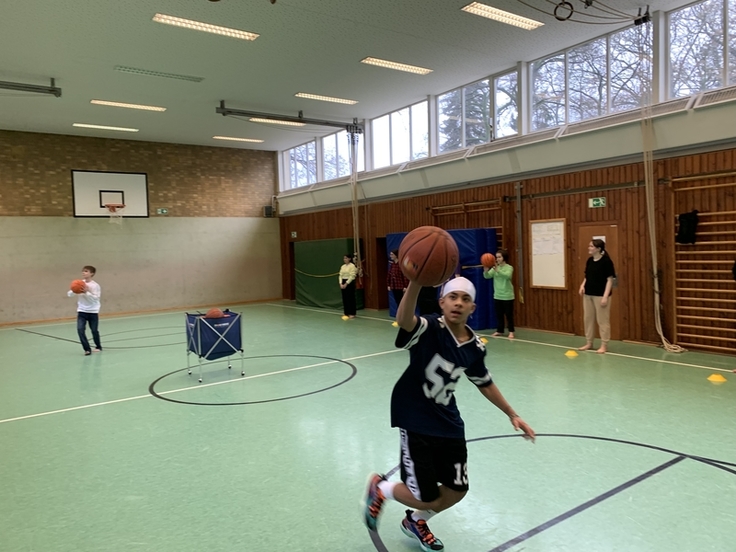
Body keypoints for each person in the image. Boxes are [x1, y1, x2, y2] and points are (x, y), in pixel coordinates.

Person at [363, 276, 535, 551]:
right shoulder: (430, 328)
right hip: (415, 417)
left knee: (457, 489)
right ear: (442, 303)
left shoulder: (475, 346)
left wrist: (512, 414)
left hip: (448, 423)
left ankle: (415, 522)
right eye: (452, 297)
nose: (458, 303)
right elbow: (406, 319)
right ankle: (381, 489)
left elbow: (484, 382)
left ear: (473, 308)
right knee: (425, 496)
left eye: (465, 299)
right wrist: (417, 282)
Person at [578, 239, 616, 354]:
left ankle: (604, 344)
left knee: (602, 320)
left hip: (600, 295)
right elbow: (587, 276)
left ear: (598, 249)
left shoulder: (606, 262)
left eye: (591, 246)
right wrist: (582, 285)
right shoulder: (589, 261)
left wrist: (605, 296)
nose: (589, 248)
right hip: (588, 294)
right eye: (589, 246)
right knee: (588, 319)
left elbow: (610, 280)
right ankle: (589, 342)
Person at [67, 265, 102, 356]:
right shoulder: (79, 283)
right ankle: (87, 349)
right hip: (82, 311)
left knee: (94, 330)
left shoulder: (95, 286)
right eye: (83, 271)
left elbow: (95, 299)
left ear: (92, 273)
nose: (83, 272)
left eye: (86, 271)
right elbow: (69, 295)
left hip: (93, 311)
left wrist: (86, 292)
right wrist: (74, 290)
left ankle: (98, 346)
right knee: (80, 329)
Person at [483, 249, 515, 339]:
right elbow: (487, 276)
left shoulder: (509, 267)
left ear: (504, 257)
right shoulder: (494, 268)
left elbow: (507, 276)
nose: (497, 259)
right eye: (496, 257)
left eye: (499, 257)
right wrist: (485, 271)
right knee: (499, 315)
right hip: (497, 295)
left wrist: (497, 270)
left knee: (509, 315)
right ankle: (499, 330)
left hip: (508, 296)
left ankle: (511, 331)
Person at [387, 249, 409, 322]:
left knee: (401, 302)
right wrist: (389, 284)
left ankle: (403, 318)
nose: (391, 256)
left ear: (396, 255)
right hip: (394, 286)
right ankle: (400, 317)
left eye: (392, 254)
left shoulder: (401, 265)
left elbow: (405, 276)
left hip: (400, 287)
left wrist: (405, 286)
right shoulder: (392, 264)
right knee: (397, 302)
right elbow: (389, 275)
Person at [338, 254, 358, 319]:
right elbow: (340, 275)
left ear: (349, 259)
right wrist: (341, 283)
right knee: (345, 298)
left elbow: (352, 276)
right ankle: (346, 312)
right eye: (344, 258)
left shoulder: (352, 266)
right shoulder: (342, 266)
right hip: (343, 281)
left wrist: (346, 283)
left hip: (349, 282)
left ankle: (352, 313)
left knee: (351, 298)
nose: (345, 259)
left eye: (346, 258)